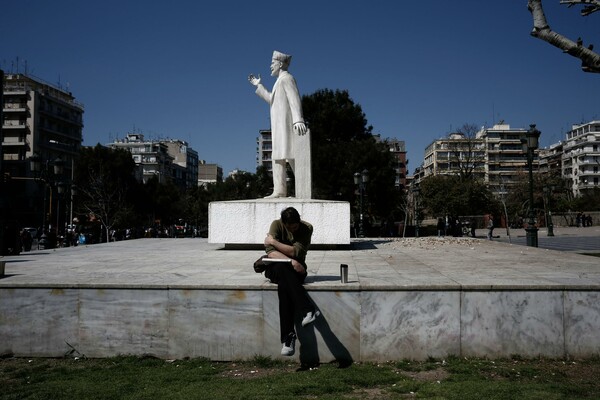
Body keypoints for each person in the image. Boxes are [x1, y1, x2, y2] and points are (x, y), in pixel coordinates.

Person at [248, 51, 310, 198]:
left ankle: (304, 190)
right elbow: (272, 100)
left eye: (272, 63)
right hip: (278, 126)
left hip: (287, 125)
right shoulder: (278, 82)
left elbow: (295, 99)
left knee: (292, 156)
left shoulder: (287, 79)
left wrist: (298, 119)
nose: (270, 66)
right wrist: (259, 85)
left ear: (280, 63)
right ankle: (279, 190)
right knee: (278, 156)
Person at [262, 207, 318, 356]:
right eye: (290, 227)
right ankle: (307, 308)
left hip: (297, 269)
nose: (293, 230)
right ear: (283, 223)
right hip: (279, 267)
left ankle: (288, 338)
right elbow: (270, 252)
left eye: (295, 226)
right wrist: (290, 261)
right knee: (281, 268)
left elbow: (297, 252)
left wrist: (274, 241)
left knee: (284, 284)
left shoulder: (307, 228)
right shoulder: (276, 224)